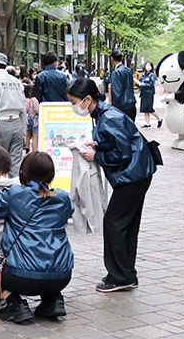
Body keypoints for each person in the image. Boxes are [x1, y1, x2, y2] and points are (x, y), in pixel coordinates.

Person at [68, 78, 156, 292]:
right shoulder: (104, 115)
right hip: (137, 173)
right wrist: (98, 144)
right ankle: (126, 274)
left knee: (115, 223)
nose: (73, 106)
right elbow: (120, 143)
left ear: (87, 99)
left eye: (74, 101)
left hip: (132, 176)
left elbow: (122, 153)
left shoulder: (108, 117)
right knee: (126, 224)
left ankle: (119, 276)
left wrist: (96, 155)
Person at [0, 152, 74, 323]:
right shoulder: (63, 199)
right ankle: (52, 301)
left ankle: (13, 303)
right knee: (45, 261)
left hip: (23, 278)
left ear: (22, 172)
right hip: (61, 277)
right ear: (52, 174)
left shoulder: (15, 195)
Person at [0, 51, 27, 175]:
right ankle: (14, 188)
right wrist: (23, 128)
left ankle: (0, 189)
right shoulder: (16, 81)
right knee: (15, 162)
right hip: (17, 123)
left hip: (1, 123)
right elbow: (23, 107)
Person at [108, 51, 136, 120]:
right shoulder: (128, 70)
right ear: (122, 58)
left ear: (111, 58)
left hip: (121, 107)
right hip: (131, 104)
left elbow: (116, 92)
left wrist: (113, 108)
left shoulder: (116, 72)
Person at [135, 61, 162, 129]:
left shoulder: (152, 75)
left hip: (149, 94)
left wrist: (142, 85)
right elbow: (140, 82)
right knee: (145, 109)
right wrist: (137, 84)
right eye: (147, 65)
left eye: (149, 65)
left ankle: (159, 119)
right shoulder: (143, 75)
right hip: (143, 93)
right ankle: (147, 123)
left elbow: (151, 84)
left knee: (150, 108)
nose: (148, 66)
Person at [24, 84, 39, 153]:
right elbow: (37, 110)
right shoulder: (34, 100)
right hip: (35, 121)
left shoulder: (27, 100)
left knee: (28, 135)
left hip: (29, 119)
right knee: (35, 137)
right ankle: (34, 151)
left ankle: (27, 148)